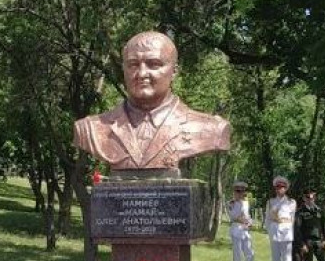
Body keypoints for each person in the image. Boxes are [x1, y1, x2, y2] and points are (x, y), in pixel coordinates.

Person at [73, 31, 230, 171]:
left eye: (153, 64)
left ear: (174, 71)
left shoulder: (211, 129)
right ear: (124, 69)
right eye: (133, 65)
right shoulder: (91, 129)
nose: (141, 74)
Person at [294, 189, 325, 261]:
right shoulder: (300, 212)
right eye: (308, 197)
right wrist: (302, 244)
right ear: (304, 198)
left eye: (313, 197)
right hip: (307, 242)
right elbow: (297, 230)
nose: (311, 199)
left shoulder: (319, 211)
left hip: (319, 242)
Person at [265, 176, 296, 261]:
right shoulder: (271, 202)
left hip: (286, 231)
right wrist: (269, 231)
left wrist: (290, 231)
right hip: (274, 230)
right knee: (275, 256)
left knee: (287, 257)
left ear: (286, 188)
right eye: (277, 187)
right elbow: (267, 218)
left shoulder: (291, 202)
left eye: (282, 187)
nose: (279, 189)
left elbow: (292, 219)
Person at [227, 181, 254, 261]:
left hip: (245, 230)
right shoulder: (231, 203)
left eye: (242, 191)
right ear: (234, 192)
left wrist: (250, 221)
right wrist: (243, 219)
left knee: (250, 253)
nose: (240, 193)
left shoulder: (246, 203)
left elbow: (247, 216)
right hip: (236, 229)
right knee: (237, 254)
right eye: (237, 191)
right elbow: (233, 216)